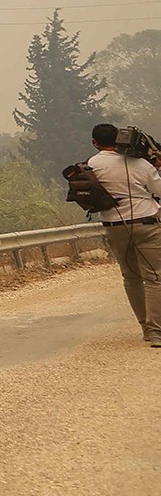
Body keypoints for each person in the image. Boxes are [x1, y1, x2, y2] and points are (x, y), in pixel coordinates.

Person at [88, 122, 161, 348]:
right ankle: (157, 332)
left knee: (131, 277)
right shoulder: (141, 164)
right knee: (155, 277)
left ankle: (146, 328)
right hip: (146, 222)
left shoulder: (93, 164)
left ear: (95, 143)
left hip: (114, 225)